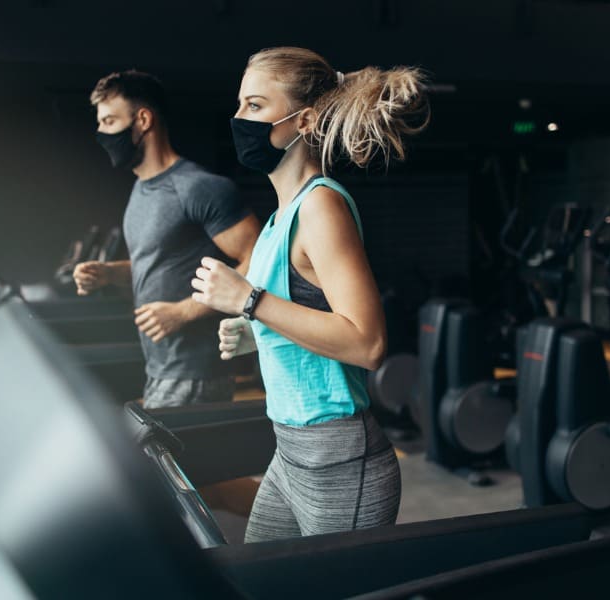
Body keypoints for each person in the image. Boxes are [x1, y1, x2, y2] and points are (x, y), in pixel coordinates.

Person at [191, 47, 430, 542]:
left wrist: (250, 301)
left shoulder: (321, 206)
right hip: (289, 452)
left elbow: (367, 344)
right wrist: (255, 330)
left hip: (341, 464)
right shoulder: (280, 220)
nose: (239, 118)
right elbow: (307, 318)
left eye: (255, 106)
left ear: (307, 120)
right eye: (239, 105)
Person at [74, 70, 260, 409]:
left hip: (194, 373)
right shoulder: (142, 189)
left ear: (143, 119)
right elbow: (160, 263)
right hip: (160, 368)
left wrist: (183, 313)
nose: (101, 133)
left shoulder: (197, 187)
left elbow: (259, 259)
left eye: (110, 120)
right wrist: (110, 273)